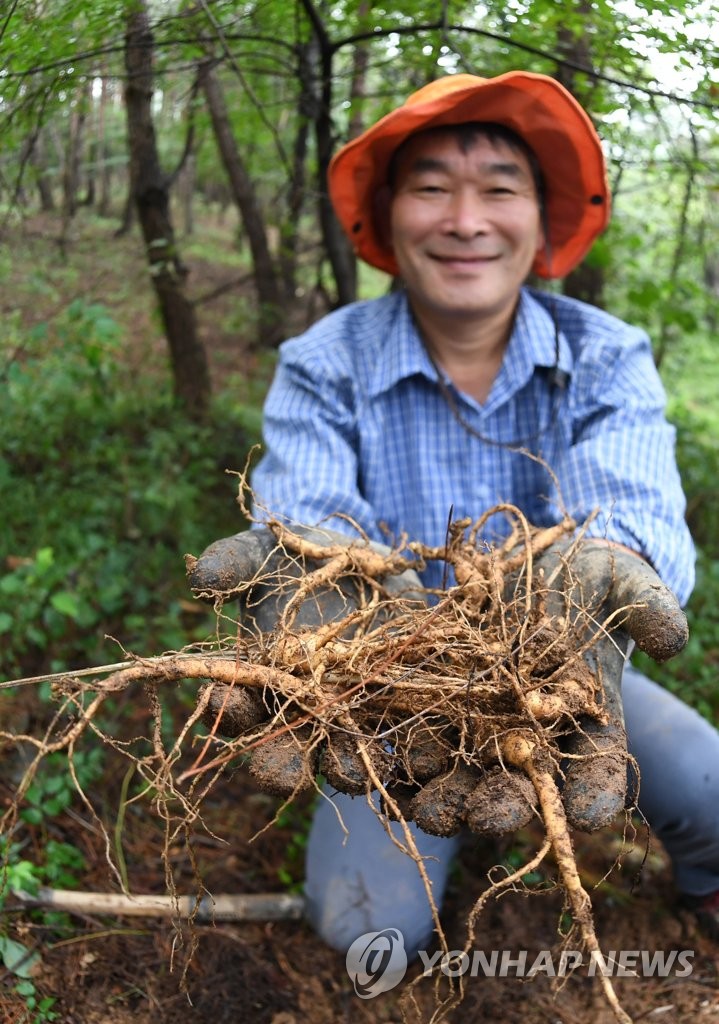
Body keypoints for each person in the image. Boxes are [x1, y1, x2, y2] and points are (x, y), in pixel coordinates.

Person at [192, 72, 719, 953]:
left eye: (498, 189)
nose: (464, 220)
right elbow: (310, 509)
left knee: (710, 788)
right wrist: (319, 572)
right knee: (369, 930)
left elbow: (626, 503)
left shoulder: (603, 355)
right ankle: (412, 837)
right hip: (382, 697)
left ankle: (704, 883)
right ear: (389, 217)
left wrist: (600, 570)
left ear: (542, 220)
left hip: (558, 677)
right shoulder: (325, 362)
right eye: (431, 187)